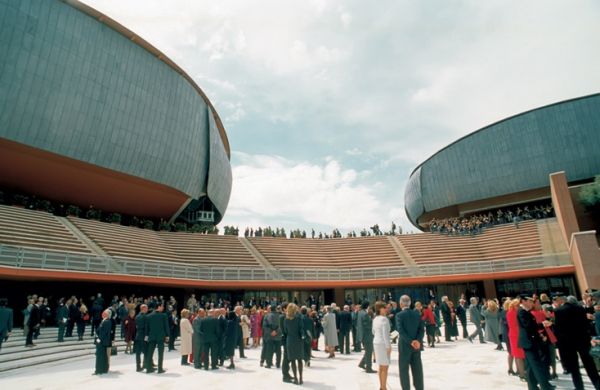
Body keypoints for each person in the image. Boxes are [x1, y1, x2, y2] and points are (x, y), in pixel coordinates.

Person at [554, 295, 600, 390]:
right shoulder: (580, 308)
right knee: (590, 365)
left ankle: (579, 387)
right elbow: (586, 325)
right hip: (582, 340)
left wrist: (561, 346)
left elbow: (559, 330)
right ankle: (597, 384)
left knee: (574, 368)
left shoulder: (558, 311)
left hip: (568, 343)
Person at [517, 295, 554, 390]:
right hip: (529, 342)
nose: (531, 303)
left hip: (530, 341)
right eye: (529, 301)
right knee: (537, 366)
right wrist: (541, 325)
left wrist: (541, 325)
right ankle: (545, 386)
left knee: (530, 366)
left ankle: (532, 387)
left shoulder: (526, 312)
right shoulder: (522, 312)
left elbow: (531, 325)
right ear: (523, 301)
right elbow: (528, 326)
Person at [396, 295, 424, 390]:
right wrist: (417, 341)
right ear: (410, 303)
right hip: (416, 346)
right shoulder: (417, 314)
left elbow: (401, 331)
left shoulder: (399, 315)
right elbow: (421, 330)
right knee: (417, 370)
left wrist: (411, 341)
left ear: (401, 304)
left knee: (404, 370)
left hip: (404, 346)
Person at [144, 302, 169, 374]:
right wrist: (167, 336)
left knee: (150, 353)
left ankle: (148, 369)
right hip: (161, 337)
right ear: (158, 307)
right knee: (160, 353)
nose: (163, 308)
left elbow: (147, 329)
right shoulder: (163, 315)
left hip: (151, 337)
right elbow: (166, 327)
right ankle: (160, 369)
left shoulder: (148, 316)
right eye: (162, 306)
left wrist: (146, 337)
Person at [283, 303, 305, 385]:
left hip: (290, 340)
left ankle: (295, 378)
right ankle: (301, 378)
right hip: (298, 340)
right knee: (299, 360)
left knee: (292, 361)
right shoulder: (299, 318)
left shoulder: (286, 320)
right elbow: (301, 329)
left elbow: (285, 331)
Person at [373, 301, 391, 390]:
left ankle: (382, 386)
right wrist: (388, 346)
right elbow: (385, 334)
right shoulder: (384, 319)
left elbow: (373, 331)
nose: (386, 309)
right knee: (385, 366)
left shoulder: (375, 319)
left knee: (381, 366)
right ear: (380, 309)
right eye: (385, 307)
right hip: (383, 344)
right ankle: (383, 387)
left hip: (376, 342)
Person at [358, 301, 376, 373]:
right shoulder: (365, 314)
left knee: (368, 351)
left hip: (363, 335)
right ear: (367, 306)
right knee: (369, 351)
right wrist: (373, 321)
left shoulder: (360, 313)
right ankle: (369, 368)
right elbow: (367, 325)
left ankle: (362, 363)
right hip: (367, 335)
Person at [93, 309, 112, 375]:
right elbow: (99, 330)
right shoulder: (104, 321)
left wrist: (99, 339)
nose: (102, 314)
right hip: (102, 341)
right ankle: (103, 369)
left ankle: (98, 370)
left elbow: (103, 333)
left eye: (104, 313)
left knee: (99, 356)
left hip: (101, 342)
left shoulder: (106, 321)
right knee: (103, 356)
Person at [134, 304, 148, 372]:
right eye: (146, 308)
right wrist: (146, 337)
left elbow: (136, 326)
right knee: (146, 352)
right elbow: (146, 328)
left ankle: (138, 367)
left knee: (138, 353)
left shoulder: (137, 316)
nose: (147, 310)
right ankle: (145, 365)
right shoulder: (145, 316)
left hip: (137, 336)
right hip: (143, 336)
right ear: (143, 309)